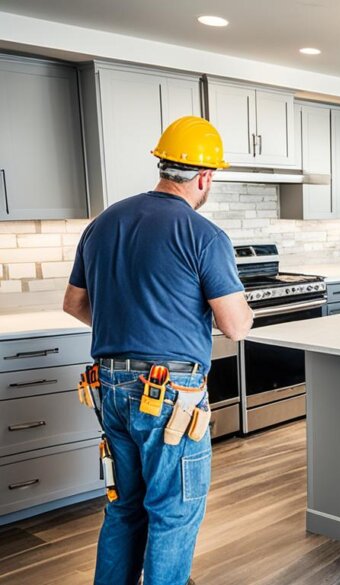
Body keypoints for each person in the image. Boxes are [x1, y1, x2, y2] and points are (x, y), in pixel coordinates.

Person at [63, 116, 254, 585]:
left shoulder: (104, 223)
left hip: (109, 384)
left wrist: (130, 327)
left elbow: (75, 304)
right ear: (205, 177)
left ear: (163, 166)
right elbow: (234, 326)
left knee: (124, 506)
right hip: (172, 394)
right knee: (174, 510)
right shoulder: (202, 234)